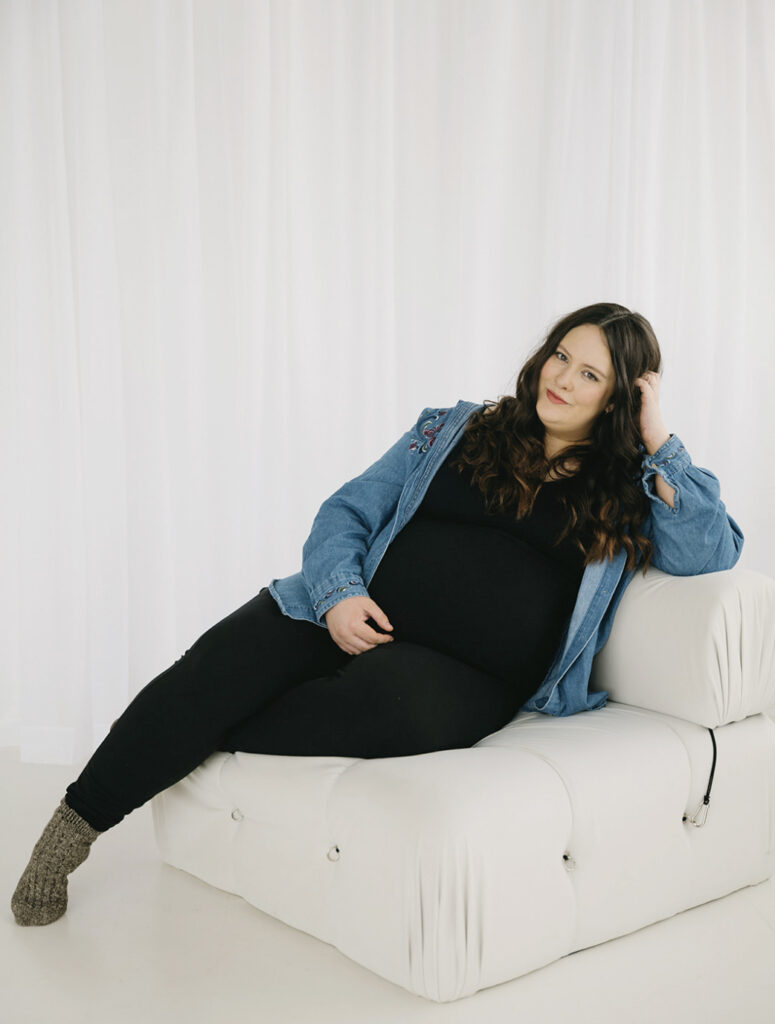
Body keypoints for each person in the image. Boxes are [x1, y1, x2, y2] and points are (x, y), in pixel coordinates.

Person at [11, 301, 743, 927]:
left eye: (590, 374)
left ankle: (188, 733)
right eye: (560, 355)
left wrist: (655, 438)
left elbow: (708, 552)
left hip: (462, 674)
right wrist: (337, 595)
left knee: (392, 712)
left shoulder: (630, 487)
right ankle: (70, 833)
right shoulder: (456, 429)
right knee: (210, 671)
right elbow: (349, 510)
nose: (561, 377)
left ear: (619, 397)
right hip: (342, 608)